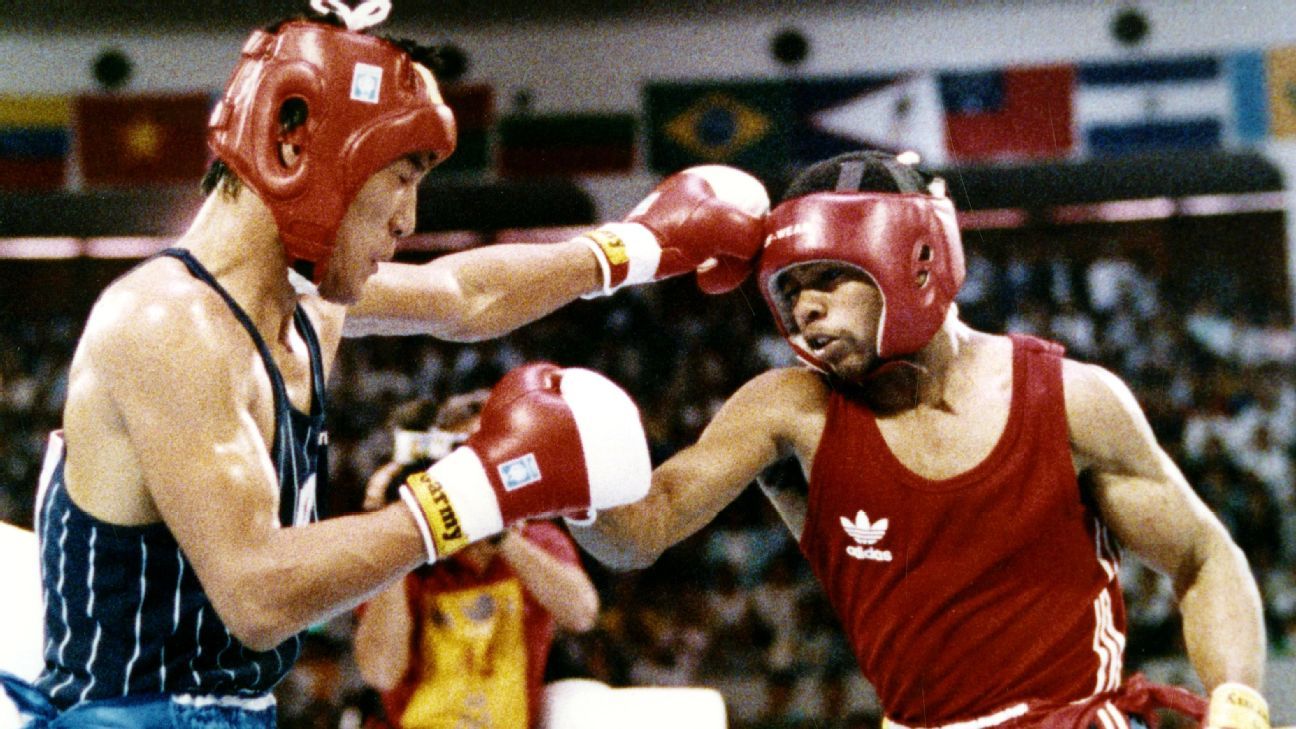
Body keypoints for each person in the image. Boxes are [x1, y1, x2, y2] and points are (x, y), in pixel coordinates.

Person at [0, 2, 770, 726]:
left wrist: (639, 247)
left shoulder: (302, 307)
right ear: (295, 148)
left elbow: (465, 294)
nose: (408, 219)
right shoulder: (168, 323)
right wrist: (475, 492)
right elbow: (257, 593)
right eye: (401, 178)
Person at [570, 150, 1274, 729]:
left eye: (828, 278)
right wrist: (569, 481)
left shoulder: (1068, 399)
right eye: (789, 290)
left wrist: (1238, 701)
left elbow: (1203, 556)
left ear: (914, 261)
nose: (804, 308)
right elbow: (643, 529)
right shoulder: (791, 409)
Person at [352, 389, 599, 728]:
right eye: (467, 457)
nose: (481, 474)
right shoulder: (410, 553)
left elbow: (582, 613)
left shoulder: (538, 541)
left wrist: (499, 532)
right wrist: (397, 536)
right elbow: (380, 672)